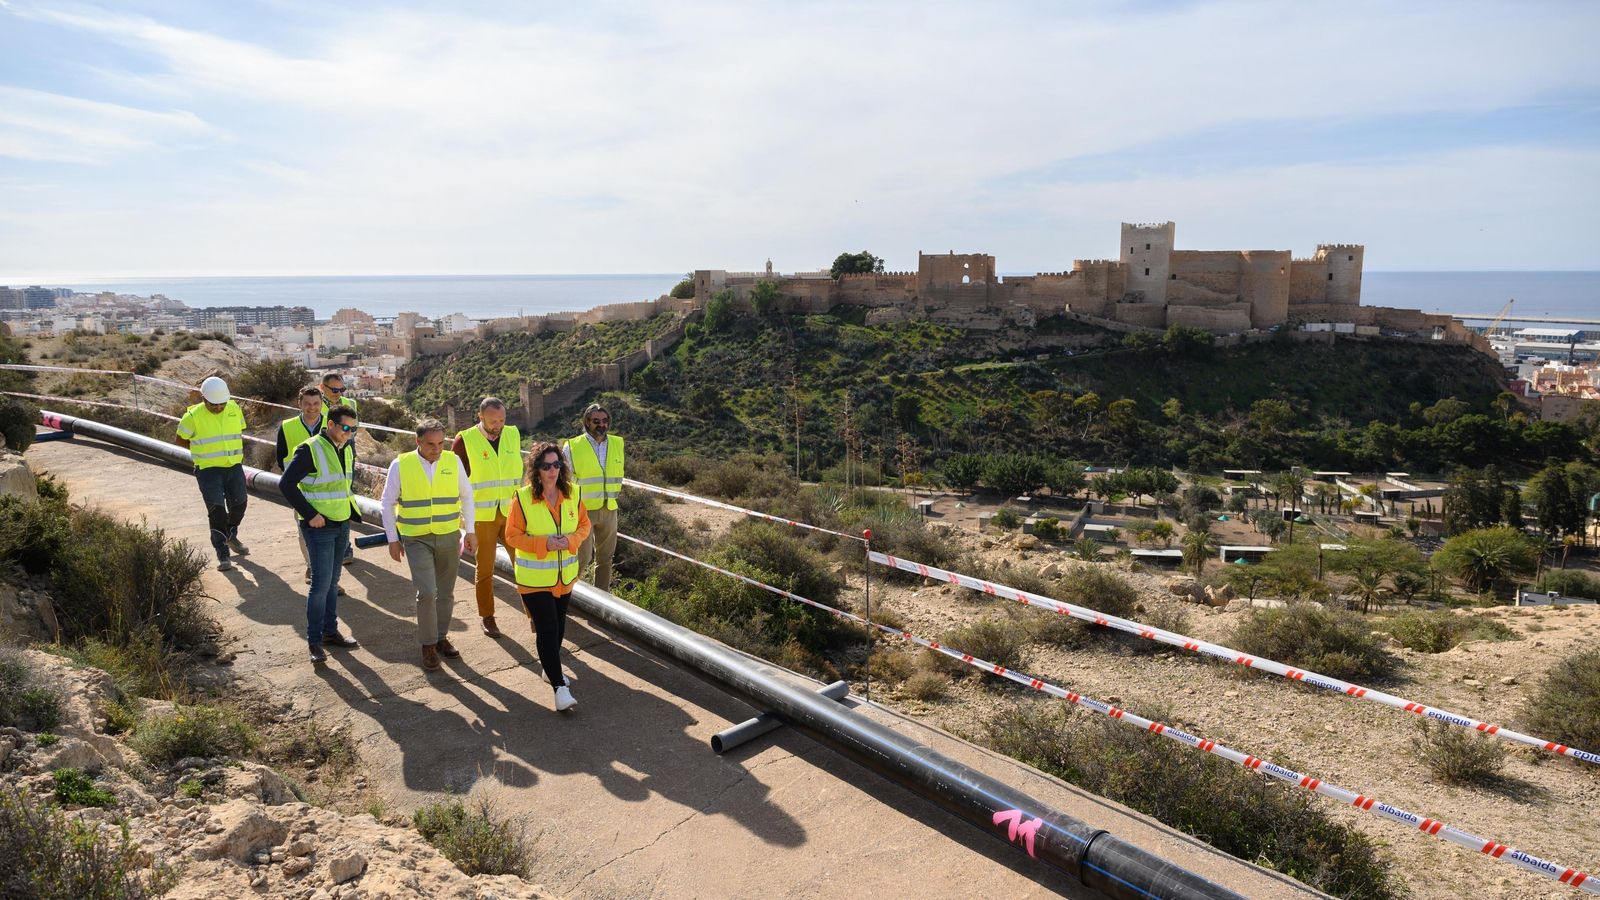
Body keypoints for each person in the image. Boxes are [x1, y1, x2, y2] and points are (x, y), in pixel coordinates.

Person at [383, 419, 476, 671]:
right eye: (431, 444)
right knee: (426, 592)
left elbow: (467, 496)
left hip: (448, 536)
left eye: (441, 444)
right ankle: (428, 645)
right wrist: (393, 539)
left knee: (446, 592)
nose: (437, 449)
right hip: (416, 538)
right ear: (418, 442)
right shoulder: (400, 464)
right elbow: (387, 503)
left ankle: (441, 637)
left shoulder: (453, 461)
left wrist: (470, 531)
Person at [506, 442, 590, 711]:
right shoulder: (522, 498)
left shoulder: (573, 494)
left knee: (560, 625)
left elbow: (584, 525)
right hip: (534, 580)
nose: (552, 470)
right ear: (536, 469)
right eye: (546, 466)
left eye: (556, 465)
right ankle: (559, 688)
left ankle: (549, 667)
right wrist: (544, 544)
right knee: (547, 627)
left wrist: (571, 540)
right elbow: (512, 536)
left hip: (564, 576)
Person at [280, 405, 362, 664]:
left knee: (333, 581)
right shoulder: (310, 449)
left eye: (353, 429)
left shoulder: (346, 448)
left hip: (340, 522)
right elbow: (286, 484)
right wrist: (310, 514)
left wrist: (348, 512)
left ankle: (330, 632)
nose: (349, 433)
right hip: (318, 526)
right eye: (345, 428)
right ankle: (314, 641)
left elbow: (341, 485)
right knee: (320, 585)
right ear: (331, 425)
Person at [451, 397, 522, 638]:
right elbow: (455, 482)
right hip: (482, 517)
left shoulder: (513, 434)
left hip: (512, 513)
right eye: (493, 421)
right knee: (485, 570)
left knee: (524, 566)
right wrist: (465, 525)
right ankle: (487, 616)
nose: (498, 425)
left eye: (502, 419)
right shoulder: (465, 440)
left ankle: (535, 614)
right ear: (480, 417)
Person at [175, 376, 249, 571]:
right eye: (214, 405)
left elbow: (238, 433)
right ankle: (222, 551)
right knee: (216, 510)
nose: (218, 408)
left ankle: (230, 534)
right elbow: (180, 440)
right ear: (203, 399)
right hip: (208, 471)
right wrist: (201, 452)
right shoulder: (192, 417)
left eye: (222, 404)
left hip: (233, 466)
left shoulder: (234, 409)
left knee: (240, 504)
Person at [563, 403, 622, 591]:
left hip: (609, 508)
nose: (601, 425)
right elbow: (564, 480)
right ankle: (567, 594)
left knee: (606, 558)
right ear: (587, 422)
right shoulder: (572, 446)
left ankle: (601, 599)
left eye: (605, 421)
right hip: (583, 510)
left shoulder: (617, 443)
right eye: (596, 421)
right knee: (582, 558)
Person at [274, 385, 323, 581]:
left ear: (322, 404)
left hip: (328, 491)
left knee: (329, 537)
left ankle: (325, 576)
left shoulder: (332, 424)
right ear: (300, 404)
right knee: (305, 531)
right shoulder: (287, 427)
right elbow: (281, 458)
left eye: (316, 403)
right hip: (301, 491)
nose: (312, 408)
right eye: (308, 404)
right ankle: (312, 568)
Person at [318, 372, 358, 567]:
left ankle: (345, 546)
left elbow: (353, 429)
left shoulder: (350, 404)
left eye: (341, 389)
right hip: (326, 455)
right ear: (322, 388)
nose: (338, 393)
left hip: (347, 454)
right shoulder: (317, 405)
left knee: (346, 496)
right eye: (334, 390)